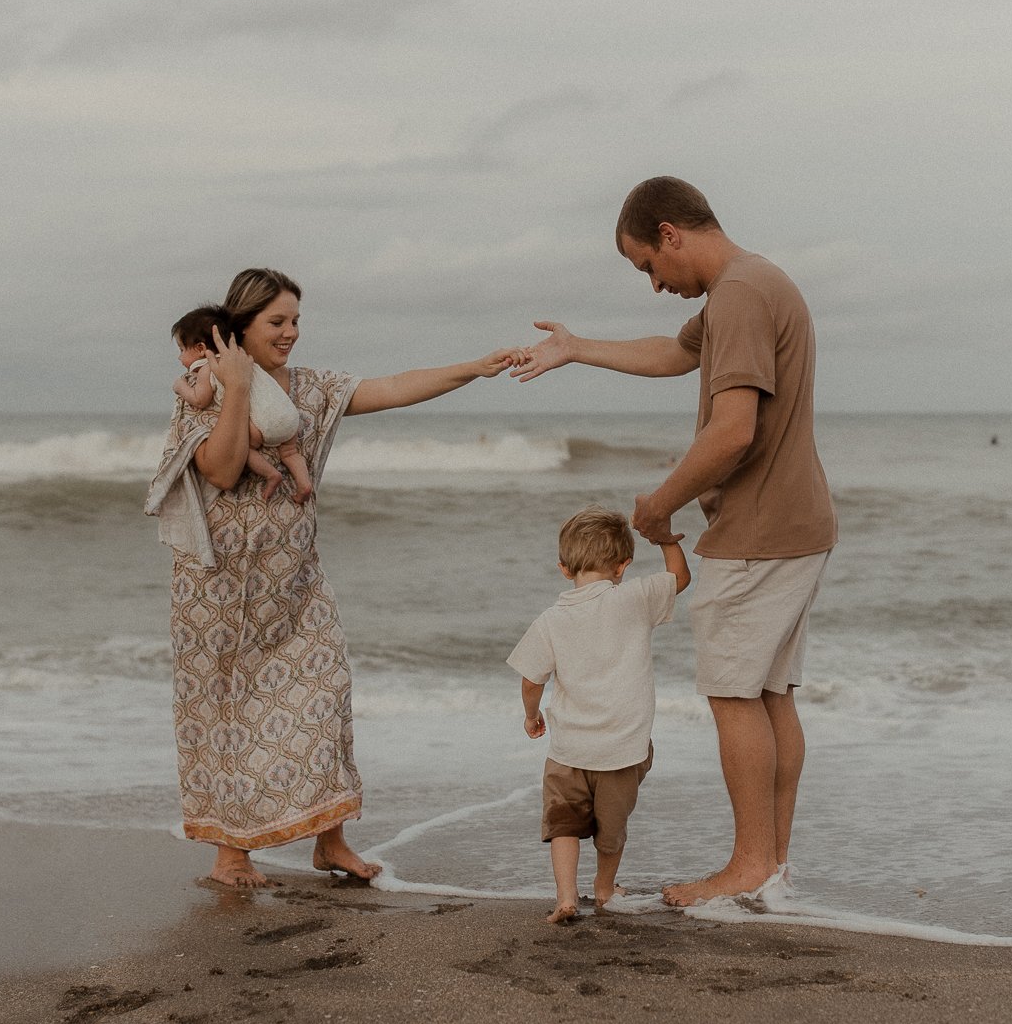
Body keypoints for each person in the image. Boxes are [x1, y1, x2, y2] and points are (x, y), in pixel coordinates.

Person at [514, 177, 838, 907]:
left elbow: (733, 431)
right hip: (797, 524)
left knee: (734, 695)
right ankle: (773, 863)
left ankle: (750, 864)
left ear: (670, 233)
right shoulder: (750, 286)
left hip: (757, 531)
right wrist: (576, 348)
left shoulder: (741, 294)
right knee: (770, 692)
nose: (654, 286)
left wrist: (657, 509)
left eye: (647, 267)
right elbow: (674, 353)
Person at [152, 267, 524, 888]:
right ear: (239, 328)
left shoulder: (313, 389)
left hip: (295, 584)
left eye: (296, 320)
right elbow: (218, 470)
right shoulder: (204, 387)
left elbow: (395, 387)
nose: (292, 332)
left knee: (326, 695)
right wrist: (238, 385)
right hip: (214, 591)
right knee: (221, 715)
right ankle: (230, 854)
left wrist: (474, 367)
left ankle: (332, 841)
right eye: (278, 322)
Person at [508, 507, 689, 923]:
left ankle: (566, 897)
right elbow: (680, 579)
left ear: (563, 568)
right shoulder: (635, 597)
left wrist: (531, 716)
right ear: (622, 566)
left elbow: (532, 680)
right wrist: (665, 538)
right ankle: (604, 888)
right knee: (612, 832)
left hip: (569, 749)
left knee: (563, 826)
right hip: (622, 749)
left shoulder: (551, 620)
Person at [170, 306, 313, 502]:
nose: (179, 357)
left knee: (243, 445)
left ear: (201, 349)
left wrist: (181, 387)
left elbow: (200, 399)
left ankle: (271, 474)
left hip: (263, 425)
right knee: (290, 452)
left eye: (181, 350)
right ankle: (304, 484)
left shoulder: (208, 368)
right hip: (289, 416)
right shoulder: (245, 359)